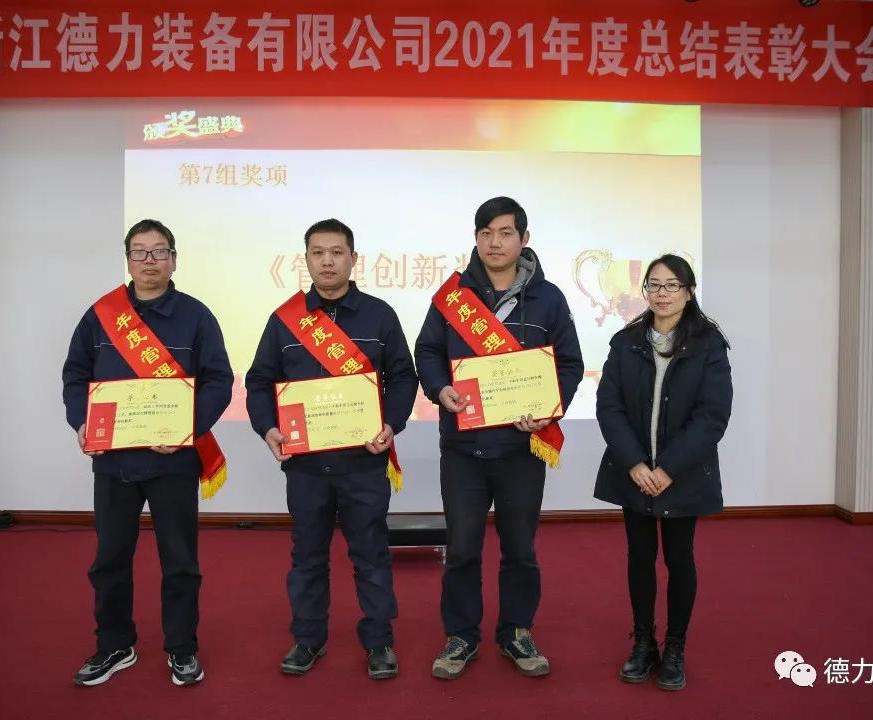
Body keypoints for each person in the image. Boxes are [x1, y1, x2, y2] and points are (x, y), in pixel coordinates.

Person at [414, 197, 584, 679]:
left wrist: (548, 407)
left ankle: (516, 631)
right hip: (463, 449)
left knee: (520, 549)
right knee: (462, 549)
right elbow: (427, 351)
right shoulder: (452, 297)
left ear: (523, 239)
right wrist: (439, 388)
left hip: (520, 449)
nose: (495, 242)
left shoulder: (549, 299)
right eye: (486, 232)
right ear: (475, 238)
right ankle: (461, 635)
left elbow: (569, 364)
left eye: (506, 233)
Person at [62, 219, 234, 686]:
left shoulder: (197, 316)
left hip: (172, 460)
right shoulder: (101, 316)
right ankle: (114, 645)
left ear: (174, 260)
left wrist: (186, 428)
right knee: (109, 559)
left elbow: (219, 380)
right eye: (139, 252)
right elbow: (75, 374)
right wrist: (82, 420)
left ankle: (182, 648)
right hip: (114, 461)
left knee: (179, 561)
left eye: (159, 251)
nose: (150, 260)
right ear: (128, 260)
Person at [244, 218, 417, 680]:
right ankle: (307, 639)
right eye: (317, 253)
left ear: (352, 259)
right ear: (306, 259)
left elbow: (403, 376)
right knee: (307, 556)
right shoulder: (284, 321)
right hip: (305, 466)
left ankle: (379, 641)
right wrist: (268, 428)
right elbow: (259, 381)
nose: (327, 261)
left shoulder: (380, 316)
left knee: (371, 554)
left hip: (363, 462)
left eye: (337, 252)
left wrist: (391, 423)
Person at [594, 253, 732, 691]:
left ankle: (674, 646)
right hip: (634, 471)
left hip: (681, 474)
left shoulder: (709, 345)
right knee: (639, 556)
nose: (662, 293)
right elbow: (609, 406)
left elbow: (712, 416)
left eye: (672, 285)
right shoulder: (626, 342)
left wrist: (668, 468)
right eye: (654, 285)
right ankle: (643, 643)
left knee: (679, 557)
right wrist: (636, 463)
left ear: (689, 292)